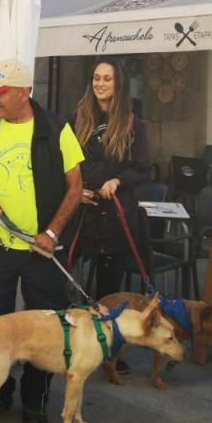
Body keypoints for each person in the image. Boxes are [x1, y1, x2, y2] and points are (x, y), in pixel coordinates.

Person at [0, 59, 84, 423]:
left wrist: (53, 233)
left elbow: (76, 186)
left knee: (45, 328)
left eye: (0, 94)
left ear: (24, 92)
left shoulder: (55, 127)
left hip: (41, 249)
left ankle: (35, 400)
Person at [70, 58, 152, 299]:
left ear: (119, 84)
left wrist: (117, 180)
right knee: (64, 279)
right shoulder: (75, 119)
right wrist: (75, 189)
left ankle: (105, 332)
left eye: (107, 78)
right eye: (96, 78)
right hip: (80, 213)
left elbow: (144, 169)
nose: (100, 83)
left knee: (108, 291)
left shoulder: (133, 123)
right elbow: (64, 162)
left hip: (115, 217)